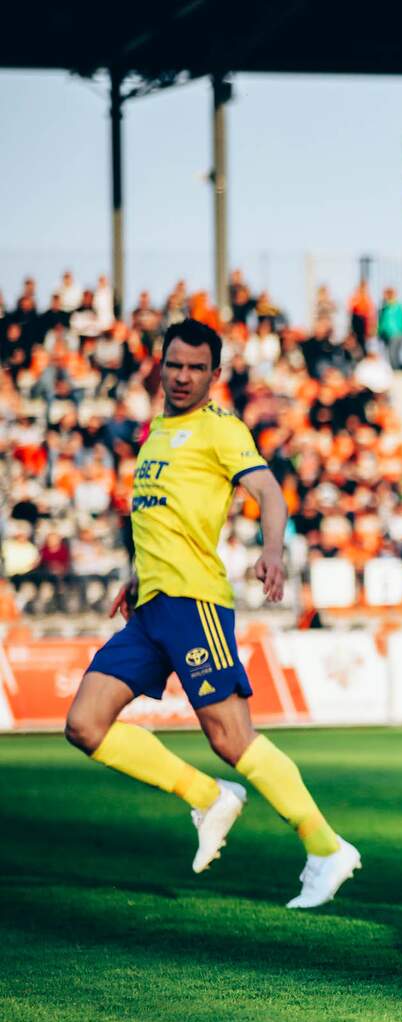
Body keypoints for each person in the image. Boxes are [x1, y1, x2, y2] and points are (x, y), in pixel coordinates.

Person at [61, 320, 361, 909]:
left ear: (214, 375)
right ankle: (207, 796)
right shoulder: (155, 432)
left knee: (231, 737)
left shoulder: (221, 429)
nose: (183, 376)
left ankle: (326, 847)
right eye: (174, 364)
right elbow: (163, 518)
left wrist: (271, 551)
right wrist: (139, 575)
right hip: (151, 608)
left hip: (195, 604)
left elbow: (269, 493)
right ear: (160, 366)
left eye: (196, 368)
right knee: (85, 725)